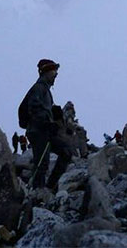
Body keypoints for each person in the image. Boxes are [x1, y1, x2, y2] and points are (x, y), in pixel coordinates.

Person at [22, 58, 71, 190]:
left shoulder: (45, 90)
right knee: (42, 162)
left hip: (44, 130)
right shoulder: (39, 88)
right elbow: (34, 108)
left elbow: (41, 108)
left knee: (66, 152)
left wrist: (54, 114)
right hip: (38, 131)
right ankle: (37, 191)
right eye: (54, 70)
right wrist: (46, 123)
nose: (56, 74)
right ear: (46, 72)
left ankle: (49, 187)